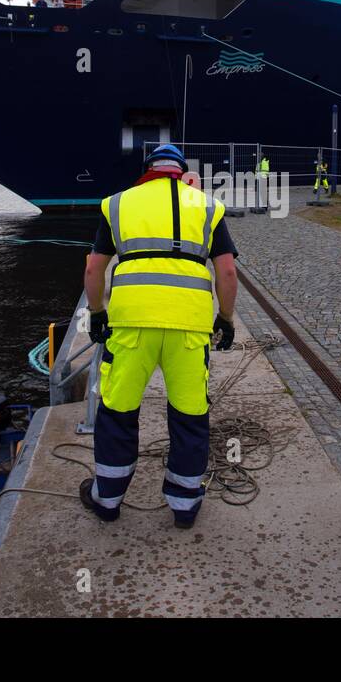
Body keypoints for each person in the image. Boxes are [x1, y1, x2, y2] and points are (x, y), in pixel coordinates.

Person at [81, 143, 239, 528]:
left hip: (132, 324)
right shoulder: (206, 207)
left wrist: (97, 314)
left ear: (147, 169)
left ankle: (108, 500)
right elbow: (228, 273)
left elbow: (93, 269)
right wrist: (227, 319)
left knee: (117, 412)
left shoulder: (117, 204)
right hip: (188, 327)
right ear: (183, 171)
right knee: (189, 415)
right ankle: (184, 507)